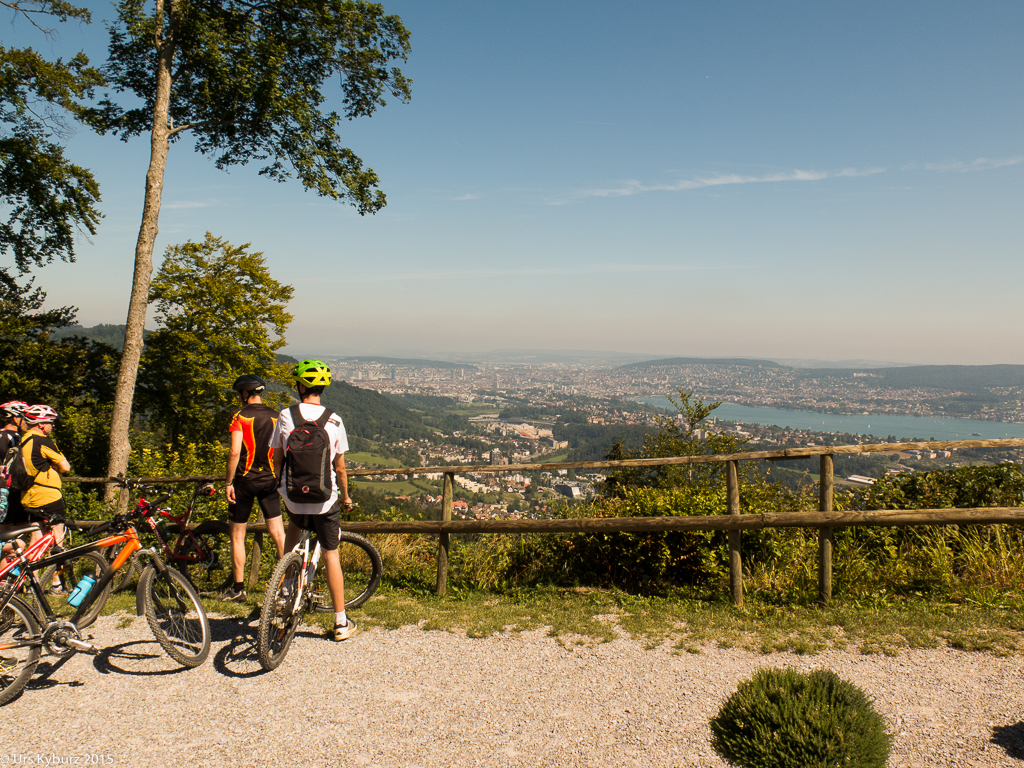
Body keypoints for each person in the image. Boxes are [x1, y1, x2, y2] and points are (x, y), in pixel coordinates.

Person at [270, 359, 357, 641]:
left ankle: (284, 587)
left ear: (300, 386)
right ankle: (341, 622)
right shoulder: (334, 420)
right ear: (321, 388)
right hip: (325, 498)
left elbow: (277, 457)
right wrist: (345, 496)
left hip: (293, 495)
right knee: (331, 553)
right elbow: (340, 467)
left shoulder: (286, 416)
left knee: (294, 528)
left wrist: (281, 484)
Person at [221, 374, 286, 602]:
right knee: (278, 533)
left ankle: (238, 589)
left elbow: (235, 452)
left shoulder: (239, 416)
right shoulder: (277, 416)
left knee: (238, 535)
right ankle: (286, 585)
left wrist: (228, 483)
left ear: (244, 393)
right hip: (270, 480)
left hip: (244, 481)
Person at [18, 404, 70, 557]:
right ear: (41, 424)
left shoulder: (24, 440)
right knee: (58, 537)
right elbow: (65, 467)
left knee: (35, 538)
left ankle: (31, 577)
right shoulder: (43, 441)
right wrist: (54, 465)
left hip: (29, 496)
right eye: (50, 422)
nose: (52, 426)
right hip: (48, 496)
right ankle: (56, 579)